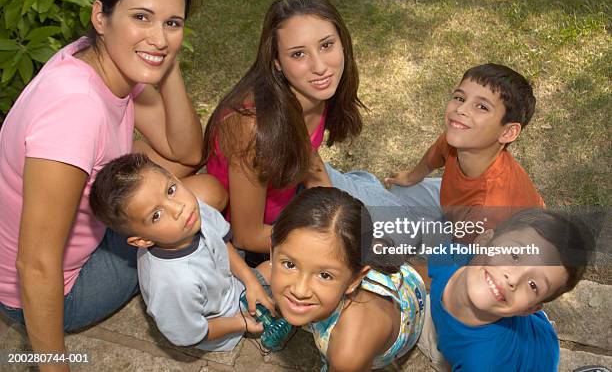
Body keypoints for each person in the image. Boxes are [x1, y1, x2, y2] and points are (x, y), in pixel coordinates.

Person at [0, 0, 222, 368]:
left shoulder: (97, 62)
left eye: (173, 24)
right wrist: (53, 364)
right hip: (57, 289)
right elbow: (35, 264)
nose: (158, 36)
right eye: (141, 17)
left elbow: (186, 152)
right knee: (203, 199)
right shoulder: (75, 112)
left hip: (83, 228)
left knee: (195, 188)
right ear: (101, 16)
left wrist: (164, 64)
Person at [203, 0, 365, 255]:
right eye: (298, 54)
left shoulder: (316, 91)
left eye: (326, 45)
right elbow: (247, 235)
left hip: (294, 202)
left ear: (342, 42)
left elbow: (309, 157)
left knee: (389, 232)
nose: (320, 66)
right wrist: (332, 245)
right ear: (277, 62)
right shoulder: (251, 127)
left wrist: (336, 217)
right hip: (250, 242)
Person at [89, 153, 274, 351]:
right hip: (225, 320)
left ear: (175, 179)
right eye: (156, 215)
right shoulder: (173, 283)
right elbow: (189, 334)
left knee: (284, 270)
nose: (177, 208)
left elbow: (220, 240)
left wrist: (250, 280)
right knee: (283, 285)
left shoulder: (191, 213)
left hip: (231, 285)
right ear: (143, 240)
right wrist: (241, 323)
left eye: (170, 190)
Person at [257, 187, 427, 371]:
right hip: (364, 276)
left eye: (324, 275)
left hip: (408, 300)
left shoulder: (348, 354)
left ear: (355, 280)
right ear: (272, 253)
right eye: (290, 264)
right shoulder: (336, 271)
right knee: (264, 276)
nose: (300, 290)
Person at [385, 64, 545, 239]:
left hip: (490, 243)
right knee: (400, 193)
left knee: (398, 239)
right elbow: (436, 153)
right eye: (460, 98)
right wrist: (411, 177)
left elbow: (465, 258)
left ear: (507, 132)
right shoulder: (460, 139)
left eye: (482, 107)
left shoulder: (488, 212)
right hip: (457, 210)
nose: (461, 110)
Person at [422, 208, 594, 371]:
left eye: (533, 285)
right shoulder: (446, 257)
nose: (513, 278)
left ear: (530, 309)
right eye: (514, 255)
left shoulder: (484, 363)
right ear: (486, 240)